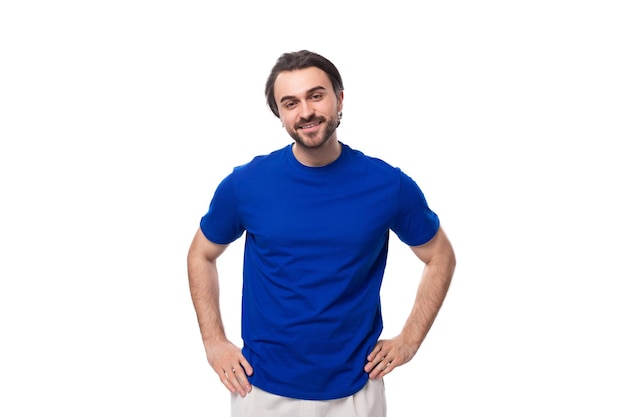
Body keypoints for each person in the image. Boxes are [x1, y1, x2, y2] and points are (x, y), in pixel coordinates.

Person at [187, 49, 456, 417]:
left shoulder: (387, 185)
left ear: (339, 99)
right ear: (279, 114)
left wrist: (410, 340)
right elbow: (201, 253)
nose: (306, 112)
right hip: (260, 387)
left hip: (355, 389)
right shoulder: (246, 184)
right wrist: (214, 342)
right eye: (290, 103)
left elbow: (440, 255)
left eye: (316, 95)